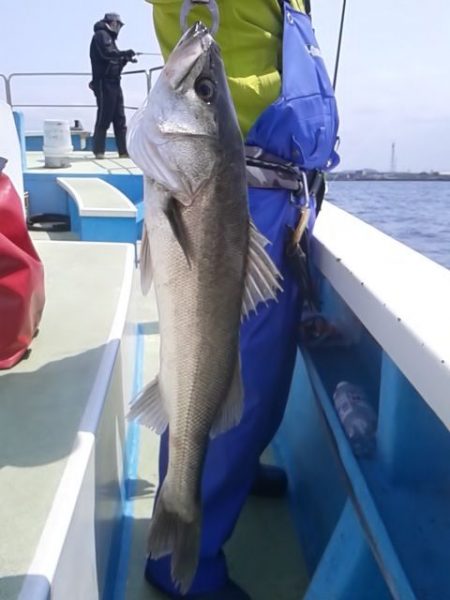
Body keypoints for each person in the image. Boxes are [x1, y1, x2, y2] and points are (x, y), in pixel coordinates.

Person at [143, 1, 339, 598]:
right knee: (223, 374)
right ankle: (183, 561)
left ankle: (235, 463)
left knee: (267, 375)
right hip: (229, 190)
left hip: (280, 201)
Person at [89, 13, 136, 159]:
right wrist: (123, 53)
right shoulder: (101, 35)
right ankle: (99, 151)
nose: (119, 28)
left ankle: (124, 152)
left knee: (119, 118)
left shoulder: (110, 38)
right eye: (119, 25)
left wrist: (125, 59)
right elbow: (107, 54)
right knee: (104, 116)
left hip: (115, 83)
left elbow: (114, 62)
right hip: (104, 83)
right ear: (113, 23)